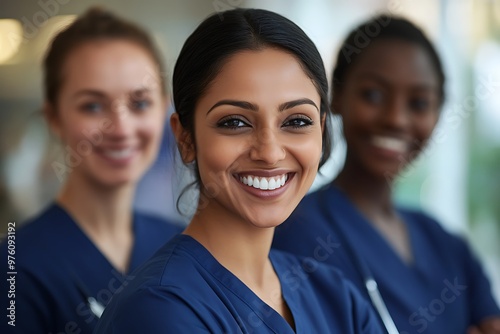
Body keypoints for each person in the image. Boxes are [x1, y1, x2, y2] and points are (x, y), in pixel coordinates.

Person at [94, 8, 384, 333]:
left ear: (322, 129)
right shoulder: (159, 310)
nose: (270, 152)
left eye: (297, 121)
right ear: (185, 138)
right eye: (235, 122)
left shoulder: (337, 298)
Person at [273, 14, 500, 334]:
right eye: (373, 95)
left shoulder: (449, 247)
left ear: (437, 113)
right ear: (336, 96)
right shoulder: (294, 232)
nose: (395, 119)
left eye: (419, 103)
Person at [0, 7, 182, 334]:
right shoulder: (14, 266)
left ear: (163, 111)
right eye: (93, 106)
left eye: (140, 103)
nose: (121, 128)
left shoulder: (180, 246)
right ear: (54, 118)